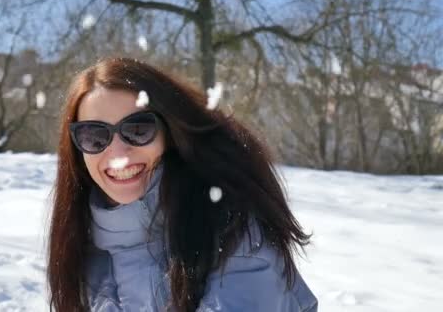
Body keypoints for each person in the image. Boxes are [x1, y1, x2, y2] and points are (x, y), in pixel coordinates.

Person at [47, 57, 318, 311]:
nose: (118, 155)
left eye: (138, 129)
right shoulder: (81, 242)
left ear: (170, 132)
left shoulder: (229, 224)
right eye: (94, 136)